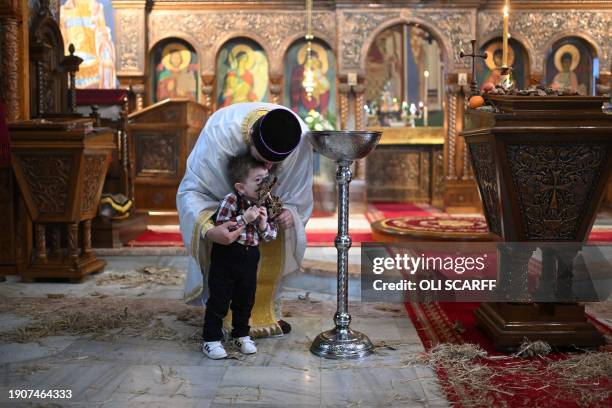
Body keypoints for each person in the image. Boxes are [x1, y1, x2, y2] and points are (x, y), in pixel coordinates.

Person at [177, 103, 313, 339]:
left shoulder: (299, 137)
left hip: (259, 234)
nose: (268, 168)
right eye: (262, 160)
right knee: (225, 278)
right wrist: (210, 230)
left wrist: (289, 214)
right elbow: (194, 191)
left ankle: (265, 314)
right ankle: (219, 319)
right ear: (249, 139)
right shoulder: (219, 132)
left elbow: (297, 196)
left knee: (256, 268)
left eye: (274, 164)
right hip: (227, 224)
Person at [202, 153, 279, 359]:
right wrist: (245, 218)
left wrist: (263, 224)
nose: (264, 184)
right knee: (219, 299)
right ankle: (211, 339)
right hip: (227, 257)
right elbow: (223, 227)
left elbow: (271, 235)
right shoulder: (231, 200)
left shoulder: (266, 203)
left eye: (266, 179)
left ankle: (241, 334)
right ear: (241, 187)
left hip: (250, 256)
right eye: (257, 180)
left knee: (245, 299)